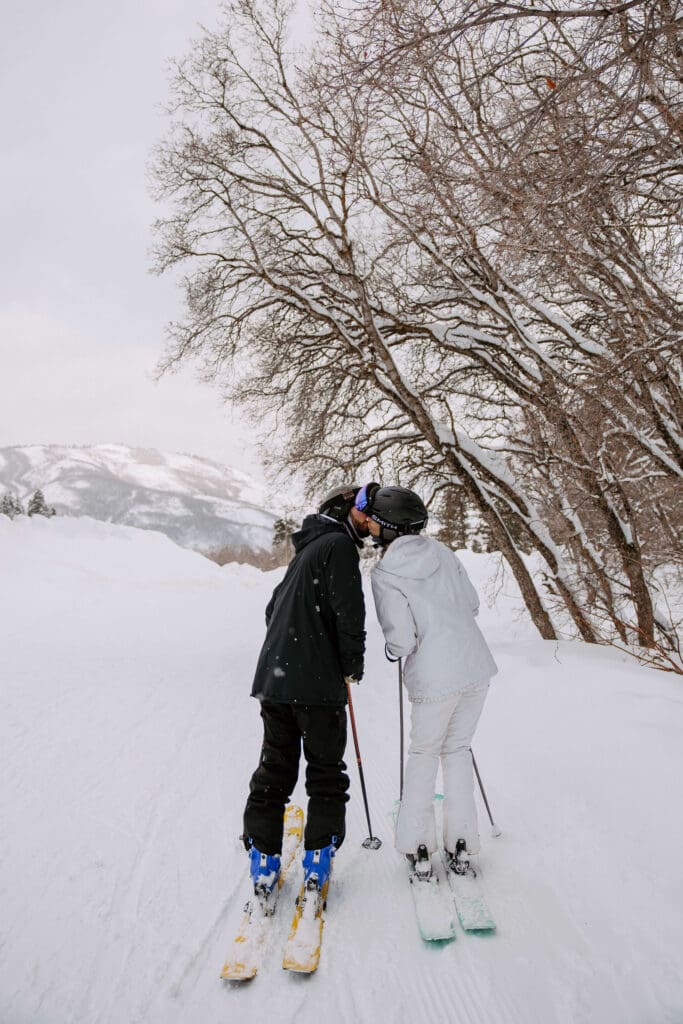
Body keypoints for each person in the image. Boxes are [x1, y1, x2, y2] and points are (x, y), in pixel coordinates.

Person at [241, 483, 371, 902]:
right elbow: (349, 613)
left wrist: (294, 650)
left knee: (274, 772)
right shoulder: (339, 547)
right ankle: (317, 860)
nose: (369, 519)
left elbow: (270, 610)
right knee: (326, 773)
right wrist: (350, 664)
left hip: (275, 683)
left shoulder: (307, 552)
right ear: (343, 511)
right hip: (317, 690)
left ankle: (263, 863)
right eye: (362, 507)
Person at [361, 483, 498, 876]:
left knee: (423, 755)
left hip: (436, 679)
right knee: (457, 751)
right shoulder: (444, 553)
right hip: (475, 668)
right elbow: (471, 604)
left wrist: (392, 650)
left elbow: (401, 640)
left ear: (387, 527)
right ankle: (462, 845)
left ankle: (419, 846)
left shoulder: (385, 572)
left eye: (374, 524)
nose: (370, 529)